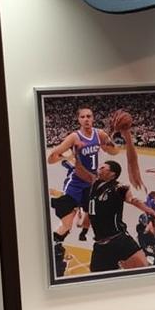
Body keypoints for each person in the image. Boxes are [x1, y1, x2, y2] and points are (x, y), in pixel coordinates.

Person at [45, 105, 144, 277]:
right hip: (76, 183)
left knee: (93, 220)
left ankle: (101, 247)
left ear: (93, 118)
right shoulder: (73, 137)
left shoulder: (99, 134)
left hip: (92, 183)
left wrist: (109, 142)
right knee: (67, 223)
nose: (86, 119)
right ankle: (54, 248)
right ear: (79, 120)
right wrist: (67, 156)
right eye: (83, 117)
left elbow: (114, 151)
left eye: (89, 116)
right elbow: (51, 158)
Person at [69, 158, 155, 273]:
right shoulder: (93, 185)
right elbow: (81, 172)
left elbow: (132, 199)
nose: (99, 169)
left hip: (119, 240)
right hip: (100, 245)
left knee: (142, 271)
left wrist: (148, 210)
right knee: (97, 280)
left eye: (103, 168)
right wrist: (74, 157)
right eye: (100, 167)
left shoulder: (118, 187)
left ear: (112, 174)